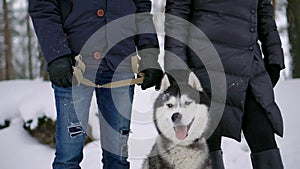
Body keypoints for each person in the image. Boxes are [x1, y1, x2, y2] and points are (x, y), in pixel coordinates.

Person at [28, 0, 163, 168]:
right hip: (74, 65)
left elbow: (141, 7)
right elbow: (43, 7)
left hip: (120, 60)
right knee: (67, 159)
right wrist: (57, 54)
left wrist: (149, 54)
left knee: (118, 157)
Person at [164, 0, 285, 169]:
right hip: (203, 68)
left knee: (264, 137)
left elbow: (264, 12)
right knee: (207, 147)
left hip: (248, 67)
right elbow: (177, 13)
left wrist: (274, 58)